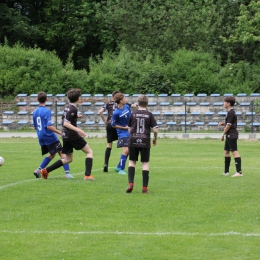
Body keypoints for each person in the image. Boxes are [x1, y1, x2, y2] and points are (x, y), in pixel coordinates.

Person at [40, 88, 95, 180]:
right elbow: (65, 123)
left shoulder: (67, 107)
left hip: (65, 136)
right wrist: (79, 130)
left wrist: (76, 116)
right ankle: (87, 175)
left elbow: (63, 120)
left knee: (68, 159)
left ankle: (45, 171)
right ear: (78, 98)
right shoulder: (73, 108)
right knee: (89, 152)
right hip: (72, 136)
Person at [32, 91, 73, 179]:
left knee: (52, 154)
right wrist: (60, 133)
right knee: (62, 153)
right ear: (46, 99)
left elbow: (35, 127)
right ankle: (67, 174)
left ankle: (38, 170)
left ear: (37, 100)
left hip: (41, 136)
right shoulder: (47, 111)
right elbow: (49, 126)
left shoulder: (35, 112)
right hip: (49, 136)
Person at [126, 94, 158, 193]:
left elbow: (129, 128)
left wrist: (131, 134)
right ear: (147, 104)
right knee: (145, 163)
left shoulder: (133, 114)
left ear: (138, 103)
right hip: (145, 141)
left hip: (134, 141)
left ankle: (131, 183)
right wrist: (155, 139)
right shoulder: (149, 114)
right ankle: (144, 187)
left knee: (132, 162)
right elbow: (155, 130)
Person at [218, 96, 242, 177]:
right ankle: (226, 172)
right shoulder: (230, 112)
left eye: (224, 102)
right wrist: (223, 123)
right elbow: (229, 123)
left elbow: (229, 126)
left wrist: (222, 134)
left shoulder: (231, 112)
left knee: (234, 152)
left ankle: (239, 172)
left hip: (231, 134)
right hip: (229, 134)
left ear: (228, 103)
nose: (223, 103)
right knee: (226, 151)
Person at [99, 90, 120, 172]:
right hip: (118, 125)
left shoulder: (108, 104)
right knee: (126, 145)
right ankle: (120, 165)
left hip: (109, 124)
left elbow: (100, 111)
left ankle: (106, 164)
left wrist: (104, 120)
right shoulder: (120, 103)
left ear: (112, 97)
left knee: (109, 145)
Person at [111, 93, 132, 175]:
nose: (126, 99)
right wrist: (125, 128)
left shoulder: (127, 107)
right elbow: (113, 125)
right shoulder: (116, 113)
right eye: (124, 98)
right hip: (122, 133)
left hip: (129, 132)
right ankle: (121, 170)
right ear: (120, 100)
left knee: (129, 151)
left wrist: (130, 127)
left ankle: (118, 166)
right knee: (126, 150)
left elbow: (130, 118)